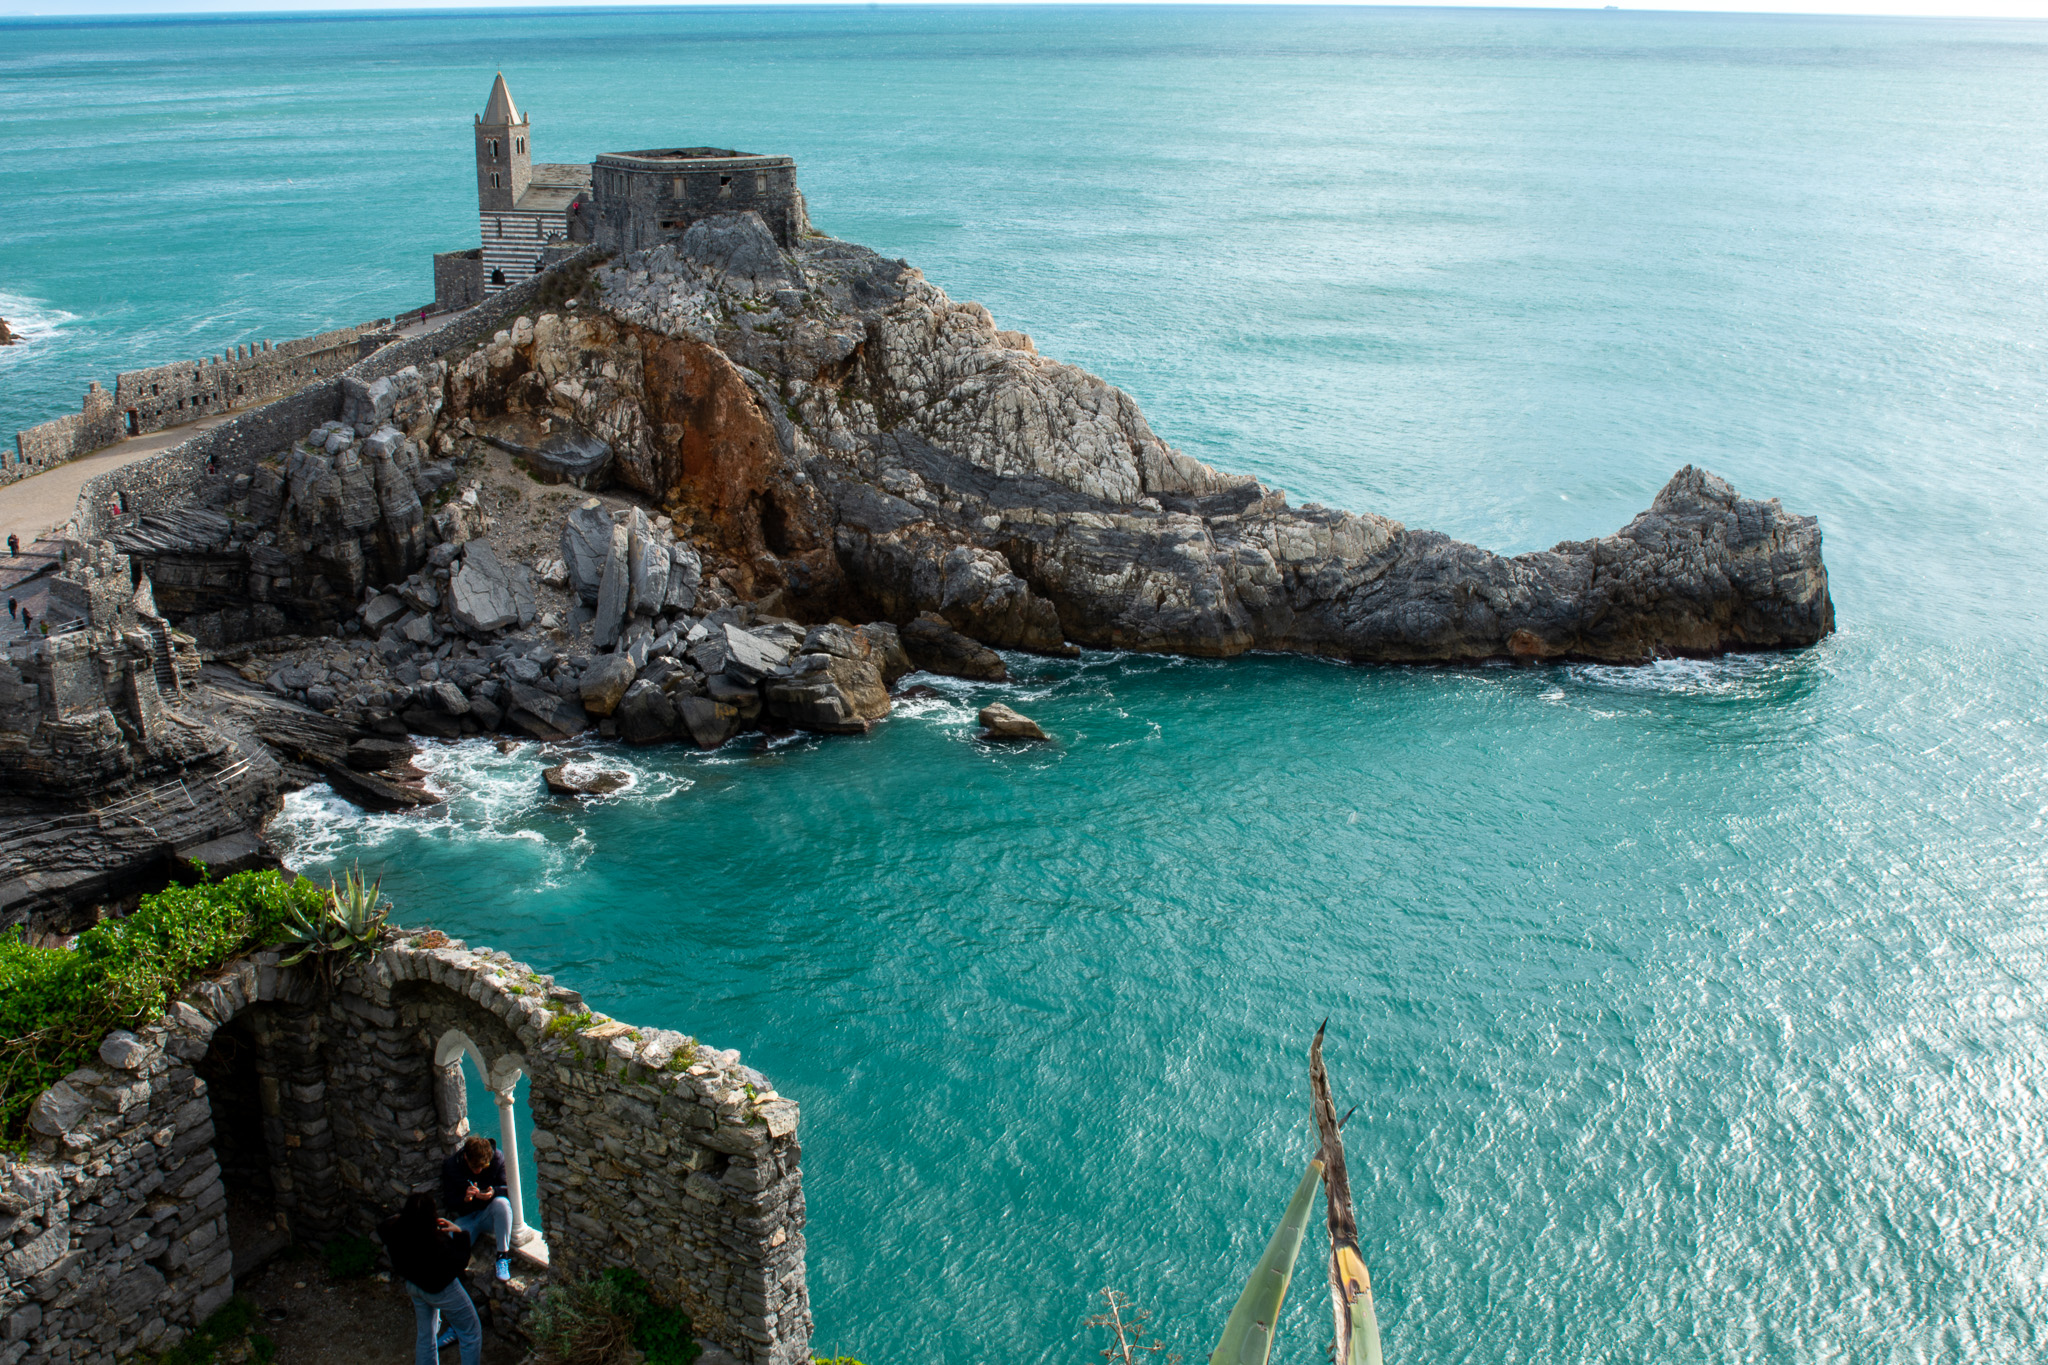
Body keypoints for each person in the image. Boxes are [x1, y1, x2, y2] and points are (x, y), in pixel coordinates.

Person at [377, 1190, 481, 1365]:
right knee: (470, 1332)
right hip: (441, 1291)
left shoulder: (394, 1230)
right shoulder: (437, 1242)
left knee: (426, 1335)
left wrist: (403, 1219)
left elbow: (384, 1226)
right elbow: (459, 1261)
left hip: (414, 1286)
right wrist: (459, 1233)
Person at [441, 1133, 514, 1282]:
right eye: (475, 1167)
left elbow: (509, 1190)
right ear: (466, 1157)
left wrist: (493, 1193)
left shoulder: (497, 1159)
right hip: (465, 1218)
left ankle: (502, 1256)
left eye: (483, 1167)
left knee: (502, 1204)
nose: (478, 1171)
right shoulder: (451, 1166)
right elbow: (448, 1201)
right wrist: (465, 1198)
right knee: (444, 1250)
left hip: (488, 1214)